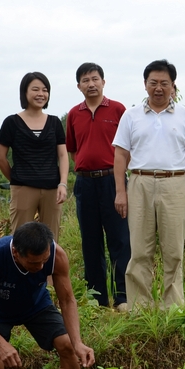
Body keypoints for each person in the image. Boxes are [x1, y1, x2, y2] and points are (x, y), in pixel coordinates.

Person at [113, 59, 185, 310]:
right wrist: (120, 192)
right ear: (145, 85)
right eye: (153, 82)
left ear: (173, 86)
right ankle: (140, 306)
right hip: (139, 183)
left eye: (164, 83)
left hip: (174, 184)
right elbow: (120, 155)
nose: (158, 88)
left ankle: (172, 307)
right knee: (140, 249)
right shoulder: (130, 116)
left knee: (174, 250)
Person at [0, 222, 95, 369]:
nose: (41, 267)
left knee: (67, 345)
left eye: (44, 260)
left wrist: (77, 342)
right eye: (34, 263)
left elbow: (67, 300)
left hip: (36, 304)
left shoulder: (57, 255)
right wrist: (1, 344)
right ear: (16, 253)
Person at [66, 63, 130, 311]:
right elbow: (72, 149)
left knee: (120, 239)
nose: (91, 84)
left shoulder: (118, 109)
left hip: (113, 181)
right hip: (84, 183)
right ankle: (97, 299)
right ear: (79, 86)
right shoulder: (73, 114)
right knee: (90, 242)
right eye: (85, 80)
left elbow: (128, 148)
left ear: (104, 82)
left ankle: (122, 297)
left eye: (95, 79)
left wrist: (118, 177)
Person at [0, 72, 68, 242]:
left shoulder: (55, 122)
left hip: (52, 189)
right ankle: (19, 270)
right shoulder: (11, 122)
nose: (41, 94)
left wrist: (63, 183)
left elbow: (63, 155)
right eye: (35, 89)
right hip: (23, 188)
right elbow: (0, 157)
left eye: (45, 90)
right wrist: (15, 178)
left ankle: (48, 269)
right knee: (20, 239)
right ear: (25, 92)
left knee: (51, 240)